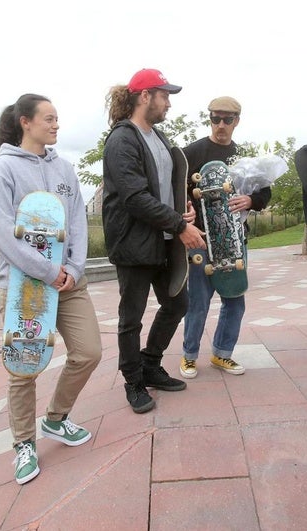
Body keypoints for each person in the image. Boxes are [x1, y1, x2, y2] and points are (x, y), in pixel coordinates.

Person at [0, 93, 102, 484]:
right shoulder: (4, 169)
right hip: (23, 287)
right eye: (48, 118)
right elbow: (0, 230)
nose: (55, 125)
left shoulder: (65, 168)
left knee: (88, 352)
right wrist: (47, 271)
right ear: (25, 122)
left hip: (69, 281)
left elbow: (78, 222)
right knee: (23, 368)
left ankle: (55, 419)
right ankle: (23, 444)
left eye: (57, 119)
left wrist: (72, 268)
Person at [102, 68, 206, 414]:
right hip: (134, 244)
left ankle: (150, 364)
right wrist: (179, 225)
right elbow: (134, 197)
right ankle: (133, 381)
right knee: (131, 318)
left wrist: (182, 209)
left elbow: (165, 188)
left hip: (164, 241)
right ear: (144, 96)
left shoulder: (159, 139)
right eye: (164, 96)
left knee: (177, 304)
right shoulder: (122, 139)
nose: (168, 104)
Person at [180, 96, 271, 378]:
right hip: (201, 240)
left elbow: (265, 192)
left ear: (236, 122)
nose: (220, 125)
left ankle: (222, 354)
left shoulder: (243, 158)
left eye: (227, 120)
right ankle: (189, 356)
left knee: (234, 297)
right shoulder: (190, 152)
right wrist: (185, 209)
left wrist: (250, 200)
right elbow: (173, 189)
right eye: (215, 119)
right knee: (199, 300)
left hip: (233, 240)